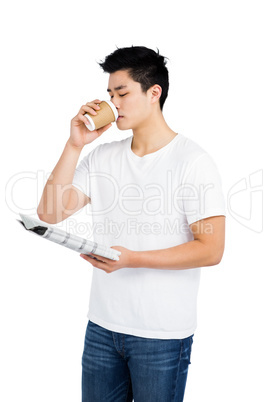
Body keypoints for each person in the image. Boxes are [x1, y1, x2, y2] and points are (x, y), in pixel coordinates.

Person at [37, 46, 226, 402]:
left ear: (154, 93)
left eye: (122, 93)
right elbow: (49, 213)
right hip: (102, 329)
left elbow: (212, 249)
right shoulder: (104, 156)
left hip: (162, 336)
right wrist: (75, 144)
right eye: (110, 94)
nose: (113, 102)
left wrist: (132, 259)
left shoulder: (192, 161)